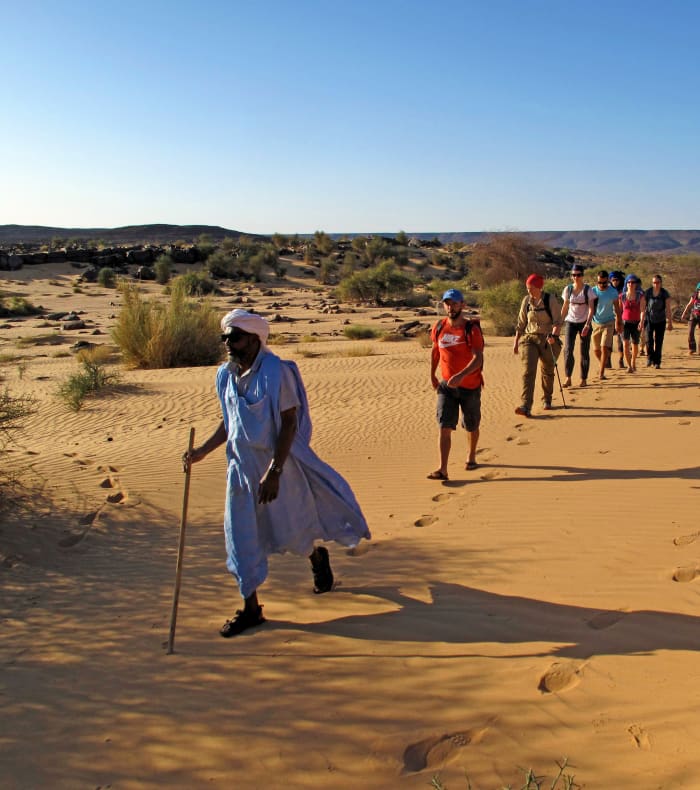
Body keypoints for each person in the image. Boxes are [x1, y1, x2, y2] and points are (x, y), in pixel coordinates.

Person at [183, 309, 371, 638]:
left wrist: (274, 472)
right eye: (225, 337)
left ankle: (316, 557)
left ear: (256, 340)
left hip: (279, 467)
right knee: (240, 538)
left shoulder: (276, 372)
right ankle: (251, 608)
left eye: (236, 337)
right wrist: (202, 451)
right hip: (240, 470)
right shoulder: (225, 375)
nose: (229, 343)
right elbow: (230, 422)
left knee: (293, 530)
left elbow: (289, 423)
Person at [428, 288, 484, 480]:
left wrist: (461, 375)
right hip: (447, 386)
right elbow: (436, 351)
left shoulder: (471, 329)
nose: (450, 307)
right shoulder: (439, 327)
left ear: (463, 305)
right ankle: (442, 469)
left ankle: (471, 455)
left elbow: (478, 359)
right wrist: (432, 375)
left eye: (454, 303)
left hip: (470, 386)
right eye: (447, 303)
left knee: (471, 425)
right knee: (444, 425)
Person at [513, 273, 562, 417]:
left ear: (539, 287)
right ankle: (526, 405)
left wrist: (554, 336)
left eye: (531, 288)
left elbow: (558, 322)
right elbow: (521, 323)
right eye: (527, 288)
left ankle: (547, 399)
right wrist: (516, 342)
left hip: (548, 340)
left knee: (547, 371)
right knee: (528, 371)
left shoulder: (550, 300)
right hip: (530, 338)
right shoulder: (526, 301)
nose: (529, 291)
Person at [559, 264, 594, 388]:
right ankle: (568, 377)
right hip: (570, 322)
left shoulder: (588, 290)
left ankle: (583, 378)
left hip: (584, 323)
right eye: (574, 275)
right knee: (568, 350)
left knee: (584, 351)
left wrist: (587, 325)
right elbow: (565, 307)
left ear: (582, 276)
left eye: (578, 275)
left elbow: (591, 309)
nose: (576, 277)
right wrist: (559, 322)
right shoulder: (567, 289)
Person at [591, 270, 622, 380]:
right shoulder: (593, 291)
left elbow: (617, 308)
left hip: (609, 322)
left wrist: (619, 322)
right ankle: (602, 364)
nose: (602, 285)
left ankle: (601, 372)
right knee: (596, 350)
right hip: (595, 322)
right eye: (600, 283)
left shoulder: (612, 292)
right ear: (597, 281)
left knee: (604, 347)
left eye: (604, 283)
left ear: (608, 281)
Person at [644, 274, 673, 369]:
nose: (656, 284)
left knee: (659, 341)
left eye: (657, 282)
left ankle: (657, 361)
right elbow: (643, 307)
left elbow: (668, 309)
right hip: (649, 319)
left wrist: (670, 322)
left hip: (661, 320)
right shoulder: (648, 292)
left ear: (661, 283)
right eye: (654, 282)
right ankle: (650, 357)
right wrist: (641, 320)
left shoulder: (665, 293)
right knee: (648, 340)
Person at [620, 274, 646, 372]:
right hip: (625, 323)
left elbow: (643, 310)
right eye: (629, 282)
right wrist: (618, 322)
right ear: (626, 284)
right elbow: (619, 311)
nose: (631, 284)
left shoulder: (640, 296)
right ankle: (629, 366)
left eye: (633, 282)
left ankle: (633, 362)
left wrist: (641, 322)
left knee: (635, 344)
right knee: (625, 344)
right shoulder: (622, 296)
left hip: (636, 322)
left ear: (636, 284)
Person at [609, 271, 625, 368]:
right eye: (613, 280)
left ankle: (621, 359)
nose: (615, 282)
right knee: (608, 340)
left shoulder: (623, 290)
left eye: (617, 280)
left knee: (621, 340)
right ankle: (607, 360)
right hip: (610, 317)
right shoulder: (607, 289)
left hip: (622, 317)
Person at [680, 282, 700, 355]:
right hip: (694, 315)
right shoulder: (695, 296)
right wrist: (684, 313)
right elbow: (689, 305)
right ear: (698, 290)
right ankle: (692, 348)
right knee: (690, 332)